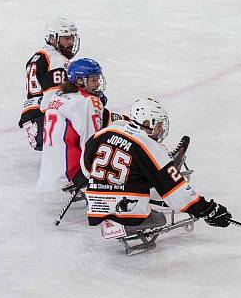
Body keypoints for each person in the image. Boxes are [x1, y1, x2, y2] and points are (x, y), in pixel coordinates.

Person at [81, 97, 231, 234]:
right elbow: (176, 192)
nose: (161, 129)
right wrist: (208, 210)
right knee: (159, 218)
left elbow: (86, 168)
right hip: (129, 213)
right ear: (146, 123)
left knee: (140, 174)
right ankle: (125, 222)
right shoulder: (150, 147)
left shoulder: (106, 131)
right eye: (158, 124)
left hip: (95, 207)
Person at [37, 58, 120, 192]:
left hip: (49, 177)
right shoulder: (88, 101)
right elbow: (92, 142)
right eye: (93, 80)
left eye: (98, 79)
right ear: (80, 81)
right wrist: (87, 172)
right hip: (71, 176)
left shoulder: (58, 96)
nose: (98, 84)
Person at [19, 17, 80, 151]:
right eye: (66, 38)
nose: (71, 42)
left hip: (31, 122)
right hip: (44, 125)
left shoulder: (39, 55)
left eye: (71, 38)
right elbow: (55, 100)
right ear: (53, 38)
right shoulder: (57, 60)